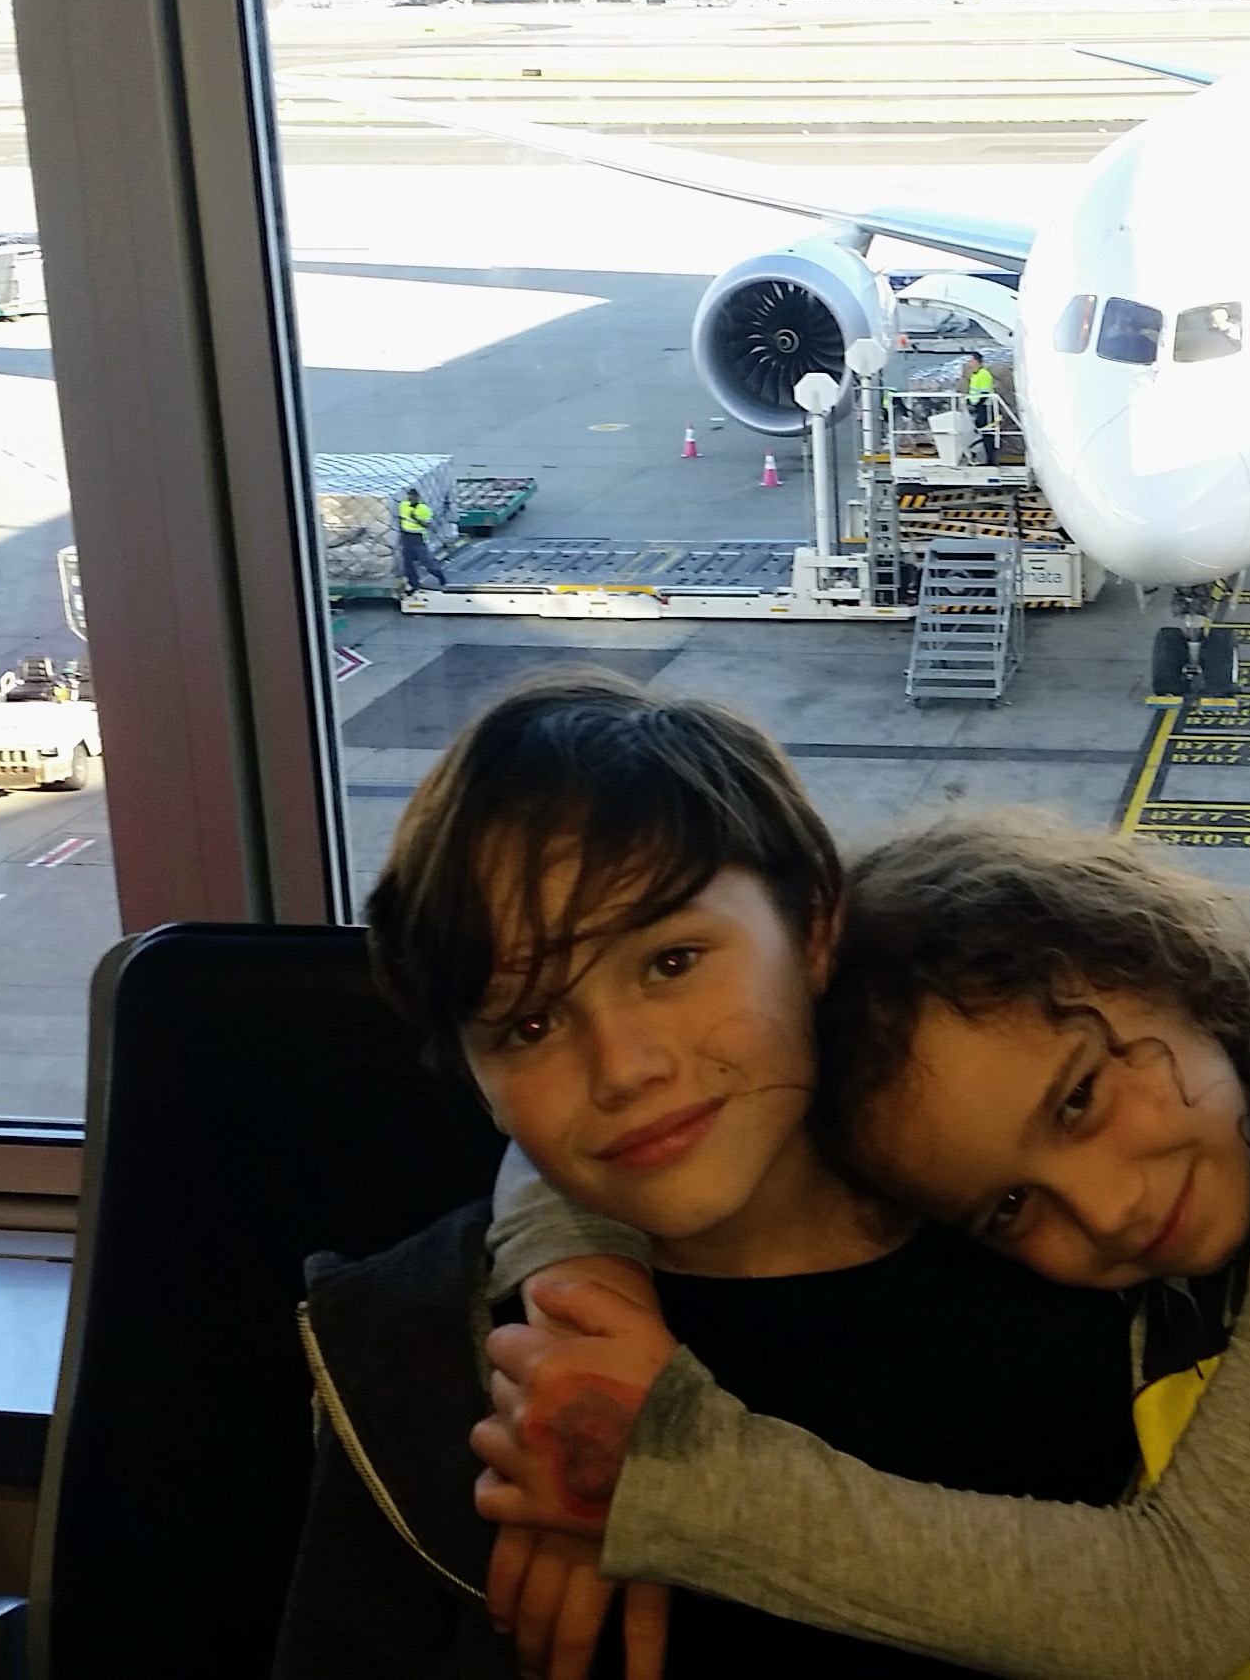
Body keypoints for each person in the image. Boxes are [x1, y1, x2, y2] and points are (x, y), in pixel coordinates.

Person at [477, 813, 1250, 1680]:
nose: (1101, 1211)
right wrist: (576, 1310)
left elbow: (1181, 1603)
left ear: (1159, 965)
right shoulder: (1084, 1236)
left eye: (1082, 1096)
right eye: (1008, 1209)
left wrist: (665, 1484)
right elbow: (676, 1113)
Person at [272, 677, 1137, 1680]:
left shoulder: (1064, 1253)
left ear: (814, 925)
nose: (625, 1067)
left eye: (672, 962)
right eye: (531, 1025)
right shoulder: (419, 1370)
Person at [397, 485, 450, 593]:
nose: (411, 498)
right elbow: (400, 518)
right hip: (406, 537)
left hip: (418, 538)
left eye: (413, 497)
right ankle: (414, 584)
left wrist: (416, 518)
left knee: (426, 562)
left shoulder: (424, 509)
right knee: (408, 564)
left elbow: (427, 525)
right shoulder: (403, 505)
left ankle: (440, 576)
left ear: (417, 497)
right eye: (409, 496)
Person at [962, 352, 997, 463]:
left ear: (977, 361)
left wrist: (977, 404)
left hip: (985, 407)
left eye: (971, 360)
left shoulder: (983, 374)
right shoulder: (975, 374)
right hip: (978, 407)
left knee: (986, 433)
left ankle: (990, 460)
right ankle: (983, 458)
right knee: (981, 432)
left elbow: (985, 392)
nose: (970, 363)